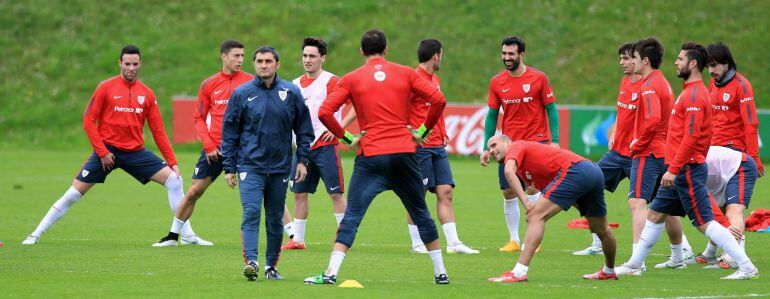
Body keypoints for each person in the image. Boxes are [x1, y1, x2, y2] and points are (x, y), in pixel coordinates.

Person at [304, 29, 450, 285]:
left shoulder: (351, 78)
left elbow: (326, 112)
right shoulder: (406, 72)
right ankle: (441, 273)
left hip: (371, 155)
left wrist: (348, 139)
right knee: (420, 211)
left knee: (352, 217)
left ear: (361, 52)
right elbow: (438, 100)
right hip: (404, 153)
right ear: (386, 50)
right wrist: (422, 132)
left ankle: (330, 274)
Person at [22, 45, 197, 245]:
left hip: (135, 153)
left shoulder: (147, 94)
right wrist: (103, 152)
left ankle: (188, 236)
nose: (131, 68)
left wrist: (172, 161)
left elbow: (158, 131)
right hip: (107, 152)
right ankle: (35, 235)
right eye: (127, 64)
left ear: (141, 64)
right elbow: (88, 121)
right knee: (73, 194)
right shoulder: (106, 87)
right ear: (120, 64)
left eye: (135, 64)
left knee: (174, 180)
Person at [615, 42, 759, 280]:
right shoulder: (691, 91)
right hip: (680, 168)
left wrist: (673, 169)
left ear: (692, 64)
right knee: (654, 215)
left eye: (680, 59)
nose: (676, 62)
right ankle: (634, 264)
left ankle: (745, 265)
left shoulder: (694, 95)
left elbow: (691, 137)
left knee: (705, 223)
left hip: (687, 170)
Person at [219, 46, 314, 281]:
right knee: (251, 213)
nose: (264, 65)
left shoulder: (291, 93)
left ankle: (271, 266)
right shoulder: (242, 94)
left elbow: (304, 130)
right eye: (259, 61)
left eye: (268, 61)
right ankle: (251, 261)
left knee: (274, 218)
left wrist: (302, 160)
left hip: (280, 167)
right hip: (249, 166)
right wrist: (229, 167)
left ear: (277, 65)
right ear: (254, 64)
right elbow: (229, 132)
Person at [152, 40, 252, 247]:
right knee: (194, 191)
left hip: (244, 149)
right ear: (224, 56)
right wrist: (208, 145)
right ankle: (173, 236)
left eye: (242, 56)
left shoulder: (251, 82)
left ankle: (293, 237)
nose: (240, 60)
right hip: (214, 149)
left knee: (262, 189)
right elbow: (199, 117)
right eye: (236, 56)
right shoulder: (209, 84)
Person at [486, 137, 618, 282]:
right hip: (592, 171)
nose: (491, 151)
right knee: (602, 229)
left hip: (576, 170)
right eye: (489, 149)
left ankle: (519, 272)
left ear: (507, 143)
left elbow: (509, 172)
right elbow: (561, 193)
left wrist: (526, 203)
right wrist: (585, 211)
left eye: (493, 145)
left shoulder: (515, 146)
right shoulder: (527, 169)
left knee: (535, 216)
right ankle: (609, 271)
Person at [479, 36, 560, 252]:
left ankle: (534, 240)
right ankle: (514, 240)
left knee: (533, 187)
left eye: (511, 54)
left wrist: (556, 141)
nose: (506, 58)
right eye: (504, 53)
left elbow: (551, 109)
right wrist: (487, 147)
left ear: (521, 54)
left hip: (536, 142)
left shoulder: (539, 78)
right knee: (508, 191)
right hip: (509, 145)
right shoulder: (497, 82)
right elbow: (492, 115)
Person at [404, 39, 478, 255]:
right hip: (420, 147)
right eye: (441, 55)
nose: (441, 59)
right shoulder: (412, 79)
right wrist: (411, 132)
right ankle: (417, 243)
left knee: (445, 192)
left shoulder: (435, 79)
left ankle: (454, 242)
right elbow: (399, 108)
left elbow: (437, 109)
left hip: (437, 145)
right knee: (418, 194)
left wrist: (443, 131)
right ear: (436, 56)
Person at [280, 37, 356, 250]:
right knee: (299, 193)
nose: (307, 60)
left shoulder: (332, 81)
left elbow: (355, 106)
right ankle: (298, 240)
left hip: (325, 148)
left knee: (336, 193)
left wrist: (338, 129)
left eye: (312, 56)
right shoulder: (293, 85)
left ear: (322, 58)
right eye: (304, 55)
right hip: (302, 149)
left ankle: (345, 238)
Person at [574, 42, 642, 256]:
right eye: (620, 58)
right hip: (616, 154)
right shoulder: (625, 82)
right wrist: (614, 133)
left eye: (626, 58)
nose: (621, 62)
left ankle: (681, 249)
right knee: (584, 185)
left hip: (638, 155)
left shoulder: (650, 86)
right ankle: (597, 241)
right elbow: (621, 113)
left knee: (662, 204)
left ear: (638, 60)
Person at [694, 146, 757, 269]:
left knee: (733, 211)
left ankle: (731, 257)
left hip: (741, 166)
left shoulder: (687, 163)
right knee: (720, 212)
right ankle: (710, 253)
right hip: (721, 173)